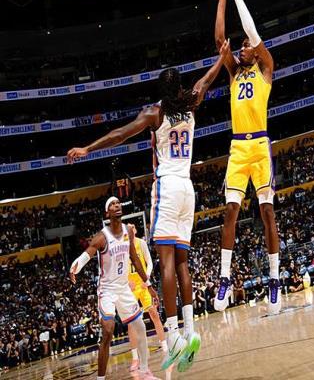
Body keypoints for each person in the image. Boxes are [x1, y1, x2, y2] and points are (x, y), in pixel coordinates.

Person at [67, 41, 230, 372]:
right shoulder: (192, 103)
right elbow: (206, 81)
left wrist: (88, 148)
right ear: (180, 87)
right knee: (182, 263)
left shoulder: (155, 113)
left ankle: (173, 335)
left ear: (161, 90)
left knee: (166, 261)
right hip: (188, 189)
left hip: (167, 187)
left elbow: (120, 135)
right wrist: (221, 59)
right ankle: (191, 329)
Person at [213, 0, 281, 315]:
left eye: (246, 46)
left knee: (267, 212)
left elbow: (252, 33)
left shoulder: (265, 67)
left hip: (260, 147)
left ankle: (274, 278)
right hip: (238, 148)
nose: (242, 47)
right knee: (230, 211)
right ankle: (224, 277)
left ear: (255, 51)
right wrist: (222, 1)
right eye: (240, 46)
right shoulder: (234, 72)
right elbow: (219, 40)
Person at [69, 197, 160, 380]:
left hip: (124, 288)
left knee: (140, 326)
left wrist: (149, 285)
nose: (116, 205)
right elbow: (87, 254)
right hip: (107, 290)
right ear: (107, 213)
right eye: (112, 204)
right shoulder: (101, 237)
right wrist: (75, 267)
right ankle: (100, 378)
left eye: (118, 203)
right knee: (108, 330)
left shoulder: (128, 231)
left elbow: (135, 258)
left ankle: (144, 371)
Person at [128, 231, 167, 372]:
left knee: (154, 314)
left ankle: (165, 347)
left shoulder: (141, 243)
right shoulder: (122, 246)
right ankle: (135, 358)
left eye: (131, 228)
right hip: (131, 287)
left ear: (134, 231)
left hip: (143, 284)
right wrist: (126, 281)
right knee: (131, 323)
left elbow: (149, 262)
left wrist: (147, 277)